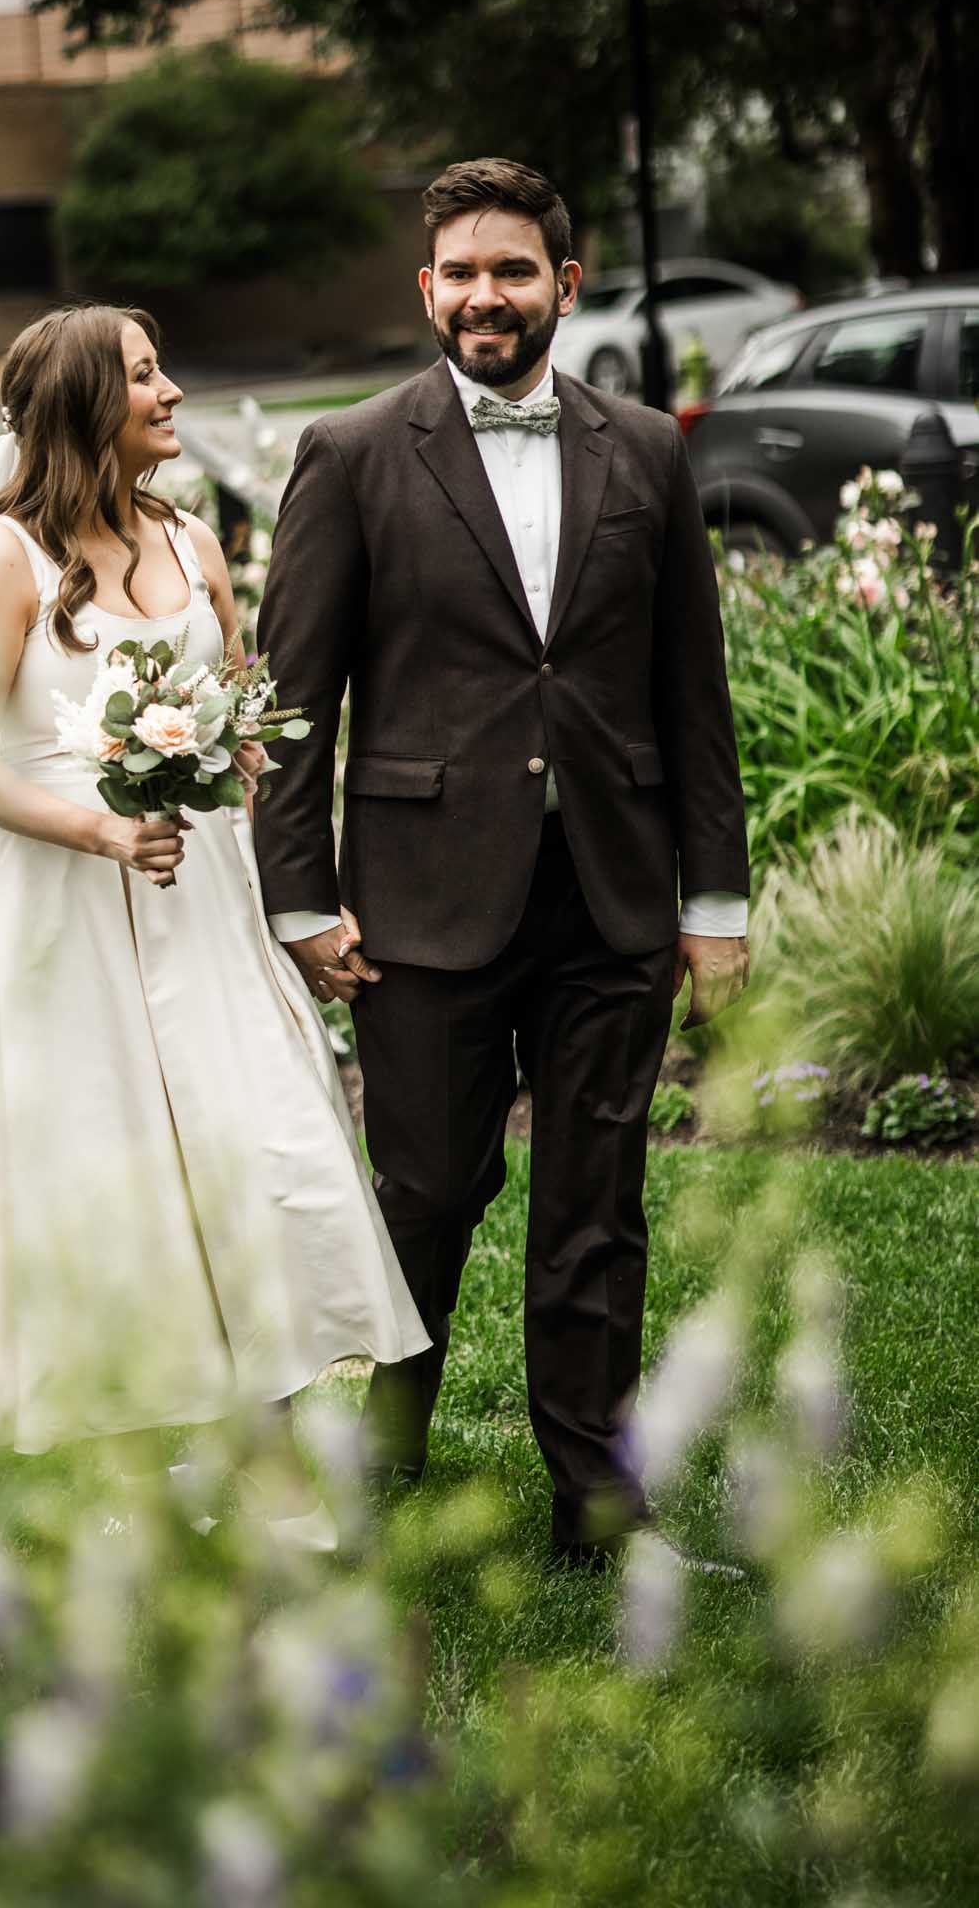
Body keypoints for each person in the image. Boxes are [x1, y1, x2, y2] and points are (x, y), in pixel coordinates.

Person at [255, 159, 750, 1566]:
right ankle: (384, 1460)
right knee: (421, 1194)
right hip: (416, 900)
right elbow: (297, 701)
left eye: (512, 271)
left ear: (564, 287)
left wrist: (712, 903)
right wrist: (297, 895)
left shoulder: (646, 450)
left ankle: (599, 1511)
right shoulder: (351, 454)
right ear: (426, 291)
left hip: (612, 894)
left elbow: (690, 695)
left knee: (594, 1212)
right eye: (460, 272)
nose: (486, 295)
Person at [0, 303, 428, 1543]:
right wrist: (104, 828)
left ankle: (273, 1462)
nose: (172, 391)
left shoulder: (191, 540)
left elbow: (241, 714)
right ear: (85, 404)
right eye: (144, 374)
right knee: (108, 1177)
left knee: (263, 1147)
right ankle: (138, 1468)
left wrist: (240, 796)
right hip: (57, 917)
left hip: (201, 904)